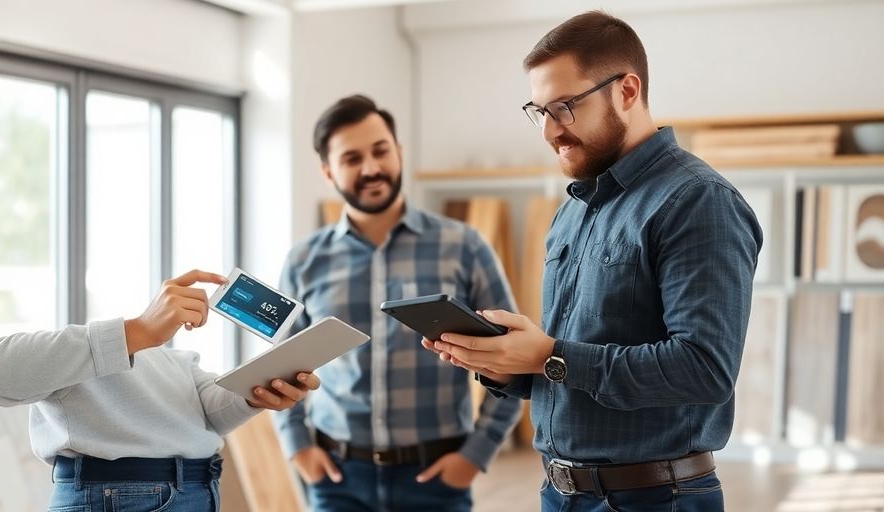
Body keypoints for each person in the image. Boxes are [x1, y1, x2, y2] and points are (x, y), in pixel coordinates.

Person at [425, 11, 763, 512]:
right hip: (559, 493)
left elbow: (704, 369)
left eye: (563, 107)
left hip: (655, 498)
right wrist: (503, 362)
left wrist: (547, 355)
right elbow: (569, 367)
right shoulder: (573, 211)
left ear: (627, 91)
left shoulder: (698, 201)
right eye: (538, 111)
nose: (547, 131)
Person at [272, 94, 522, 512]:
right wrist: (297, 448)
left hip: (437, 479)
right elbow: (279, 364)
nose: (371, 168)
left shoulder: (464, 246)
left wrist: (477, 453)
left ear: (399, 152)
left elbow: (512, 359)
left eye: (380, 151)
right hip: (338, 481)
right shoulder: (303, 260)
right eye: (352, 158)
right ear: (328, 171)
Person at [0, 269, 320, 512]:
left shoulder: (177, 360)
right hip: (119, 494)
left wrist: (254, 393)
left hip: (200, 491)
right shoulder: (72, 352)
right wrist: (137, 331)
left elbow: (207, 413)